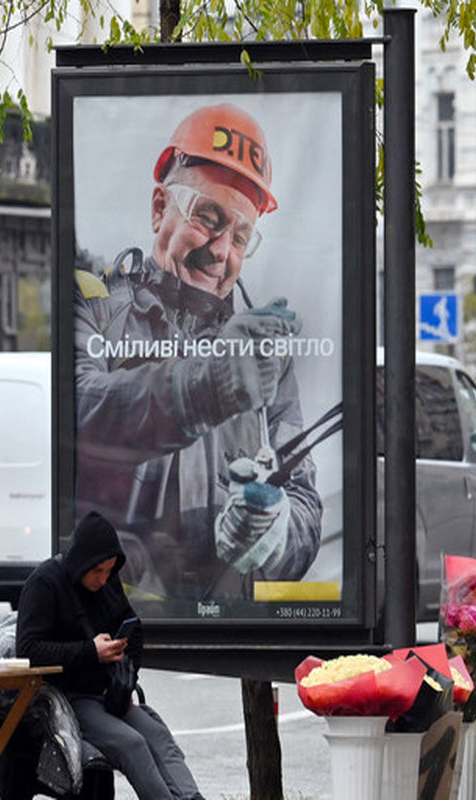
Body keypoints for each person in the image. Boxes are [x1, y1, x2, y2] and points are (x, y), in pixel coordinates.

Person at [73, 103, 323, 605]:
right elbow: (80, 411)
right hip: (116, 620)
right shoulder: (94, 307)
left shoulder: (264, 355)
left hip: (226, 618)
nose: (221, 250)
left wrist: (274, 535)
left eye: (241, 237)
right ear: (159, 209)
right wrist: (203, 386)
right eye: (209, 218)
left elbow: (305, 504)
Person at [16, 511, 204, 800]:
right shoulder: (44, 583)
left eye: (109, 570)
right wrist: (91, 652)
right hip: (67, 698)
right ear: (81, 562)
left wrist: (125, 680)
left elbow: (134, 631)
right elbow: (28, 650)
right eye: (97, 571)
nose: (103, 579)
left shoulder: (108, 582)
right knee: (133, 744)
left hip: (108, 694)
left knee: (157, 737)